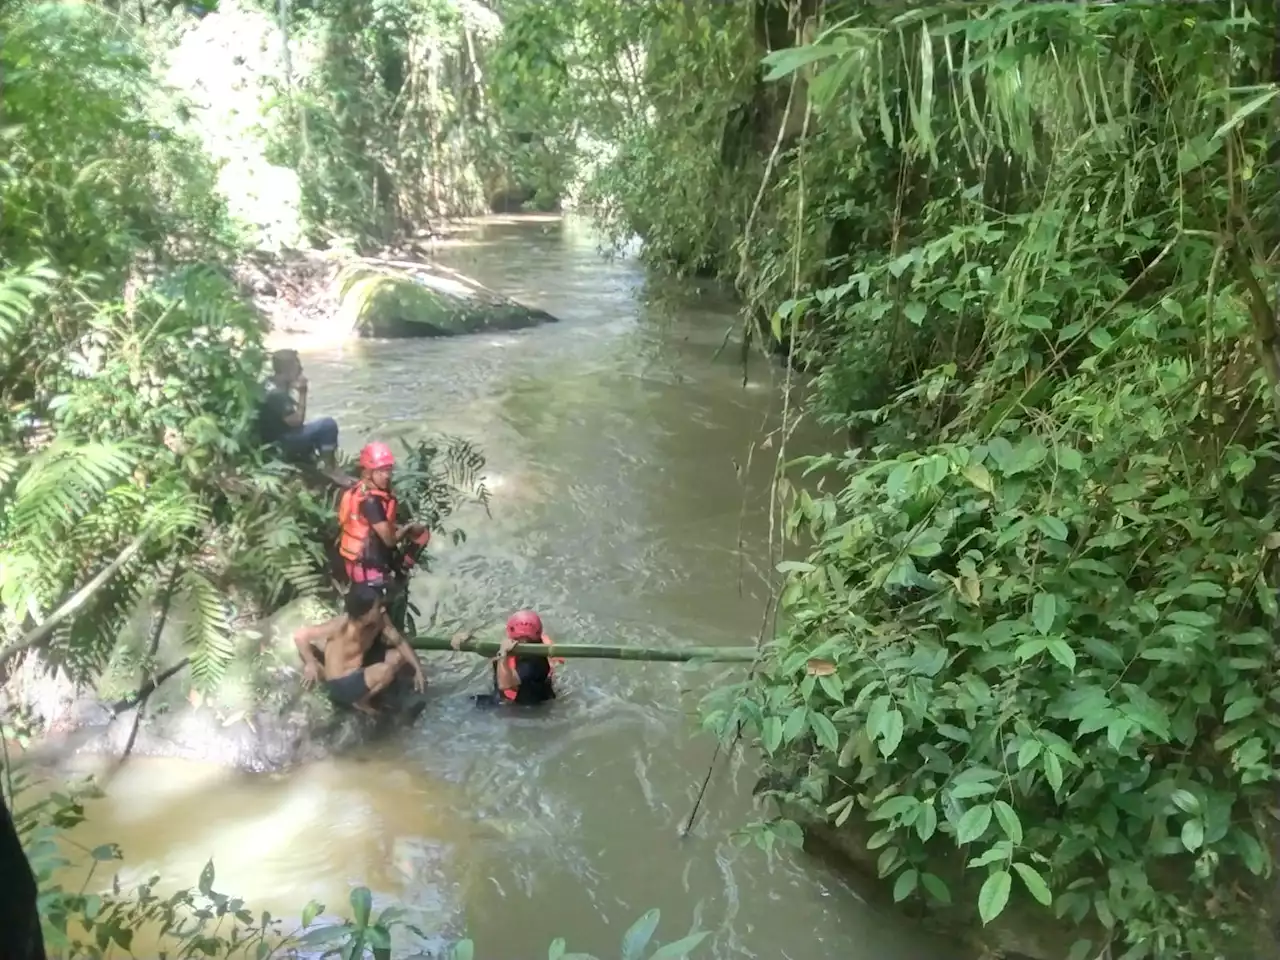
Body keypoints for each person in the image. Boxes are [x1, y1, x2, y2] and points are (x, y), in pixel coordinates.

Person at [293, 584, 426, 714]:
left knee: (399, 656)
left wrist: (418, 669)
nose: (383, 610)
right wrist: (311, 663)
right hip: (340, 683)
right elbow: (300, 636)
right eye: (377, 607)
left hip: (359, 668)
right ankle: (361, 702)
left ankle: (384, 693)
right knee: (386, 671)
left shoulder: (380, 619)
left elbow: (399, 641)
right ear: (364, 614)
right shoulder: (342, 625)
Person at [337, 441, 429, 597]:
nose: (386, 476)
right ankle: (401, 571)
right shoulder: (371, 502)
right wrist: (407, 529)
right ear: (367, 472)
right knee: (421, 534)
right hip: (369, 569)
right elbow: (390, 541)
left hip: (357, 562)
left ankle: (400, 570)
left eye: (388, 470)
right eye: (380, 471)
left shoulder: (360, 490)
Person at [452, 610, 559, 706]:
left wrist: (503, 654)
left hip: (526, 708)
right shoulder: (511, 646)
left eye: (526, 640)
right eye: (519, 640)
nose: (522, 643)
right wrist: (468, 640)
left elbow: (505, 684)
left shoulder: (536, 662)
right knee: (457, 703)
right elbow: (488, 651)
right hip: (505, 702)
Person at [259, 349, 339, 467]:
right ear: (288, 370)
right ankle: (329, 467)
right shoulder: (277, 394)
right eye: (298, 367)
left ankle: (312, 459)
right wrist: (303, 393)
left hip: (269, 440)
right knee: (328, 425)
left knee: (311, 428)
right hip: (280, 444)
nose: (301, 370)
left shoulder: (268, 383)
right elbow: (296, 421)